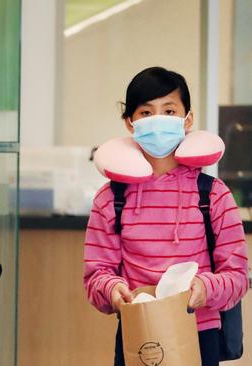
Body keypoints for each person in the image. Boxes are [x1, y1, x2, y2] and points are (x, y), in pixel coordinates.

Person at [83, 66, 249, 366]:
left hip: (200, 334)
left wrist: (205, 288)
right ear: (130, 123)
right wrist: (113, 291)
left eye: (169, 110)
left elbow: (238, 277)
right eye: (146, 113)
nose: (158, 120)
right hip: (139, 333)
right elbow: (96, 276)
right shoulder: (111, 198)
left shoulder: (213, 195)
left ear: (188, 119)